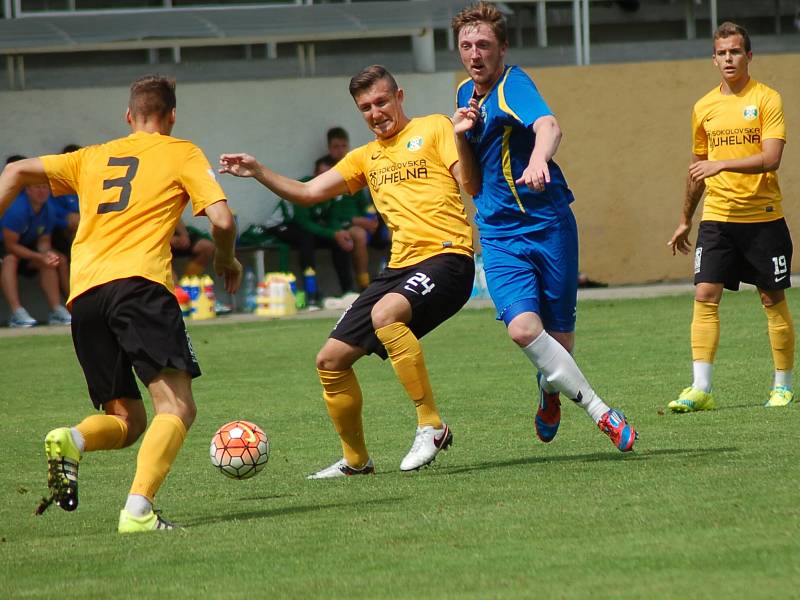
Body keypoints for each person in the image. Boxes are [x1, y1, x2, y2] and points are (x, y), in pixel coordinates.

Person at [0, 75, 242, 533]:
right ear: (171, 116)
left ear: (128, 117)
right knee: (177, 408)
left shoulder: (91, 156)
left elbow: (13, 172)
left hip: (85, 297)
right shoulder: (181, 151)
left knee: (127, 421)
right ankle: (138, 511)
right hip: (139, 287)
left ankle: (71, 438)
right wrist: (226, 258)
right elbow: (223, 220)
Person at [220, 65, 476, 477]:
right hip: (398, 268)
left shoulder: (435, 128)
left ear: (400, 96)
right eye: (365, 108)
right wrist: (257, 171)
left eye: (381, 101)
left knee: (385, 315)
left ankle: (431, 425)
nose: (375, 112)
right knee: (331, 360)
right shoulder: (365, 157)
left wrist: (463, 138)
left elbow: (468, 181)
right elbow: (307, 193)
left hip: (448, 258)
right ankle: (356, 461)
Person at [451, 2, 637, 451]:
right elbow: (471, 181)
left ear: (502, 48)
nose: (475, 54)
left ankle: (548, 391)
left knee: (561, 343)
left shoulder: (514, 84)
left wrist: (538, 158)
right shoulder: (463, 95)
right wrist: (459, 134)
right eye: (466, 46)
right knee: (522, 330)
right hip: (499, 235)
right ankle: (601, 412)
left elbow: (549, 125)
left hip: (549, 225)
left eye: (484, 45)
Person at [667, 22, 794, 410]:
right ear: (714, 59)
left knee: (772, 299)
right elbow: (698, 168)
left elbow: (771, 158)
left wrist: (721, 166)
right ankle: (701, 388)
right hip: (717, 218)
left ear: (749, 56)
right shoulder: (703, 107)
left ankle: (783, 386)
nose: (728, 59)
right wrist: (685, 218)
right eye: (722, 53)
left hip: (762, 217)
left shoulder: (767, 98)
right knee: (705, 294)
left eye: (735, 52)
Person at [0, 155, 71, 327]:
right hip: (8, 251)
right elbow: (10, 245)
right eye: (37, 187)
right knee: (10, 260)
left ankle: (58, 311)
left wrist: (46, 255)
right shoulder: (17, 209)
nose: (42, 192)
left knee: (53, 260)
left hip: (27, 252)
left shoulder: (48, 208)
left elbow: (44, 240)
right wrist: (39, 256)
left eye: (45, 187)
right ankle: (17, 313)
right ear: (28, 190)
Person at [324, 126, 391, 285]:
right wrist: (355, 221)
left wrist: (371, 219)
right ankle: (364, 283)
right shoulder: (326, 171)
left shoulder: (353, 168)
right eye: (336, 147)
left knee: (394, 231)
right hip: (344, 225)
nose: (340, 150)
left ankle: (397, 278)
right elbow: (330, 211)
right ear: (329, 148)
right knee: (359, 234)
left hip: (362, 221)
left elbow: (364, 202)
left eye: (343, 146)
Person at [49, 144, 82, 258]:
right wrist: (66, 218)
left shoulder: (88, 180)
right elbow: (49, 210)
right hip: (63, 230)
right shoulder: (56, 182)